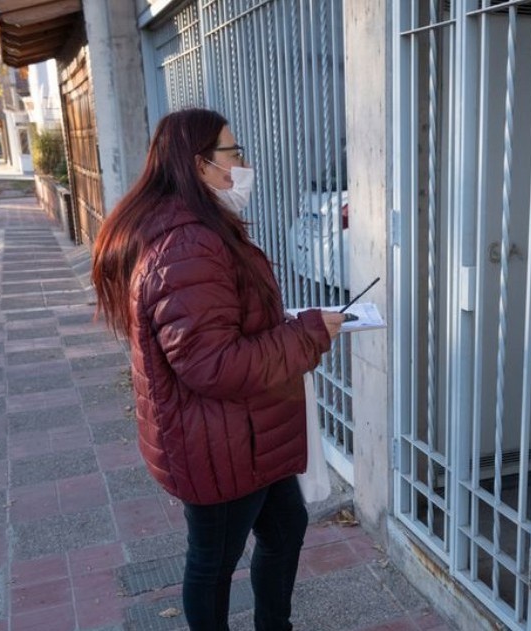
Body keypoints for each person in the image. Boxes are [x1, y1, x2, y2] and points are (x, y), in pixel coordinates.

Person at [90, 108, 344, 630]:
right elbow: (212, 365)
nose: (244, 163)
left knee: (285, 528)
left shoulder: (196, 227)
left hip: (246, 433)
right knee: (212, 563)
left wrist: (285, 323)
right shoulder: (187, 243)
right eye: (235, 153)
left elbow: (216, 329)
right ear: (201, 163)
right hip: (218, 441)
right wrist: (308, 333)